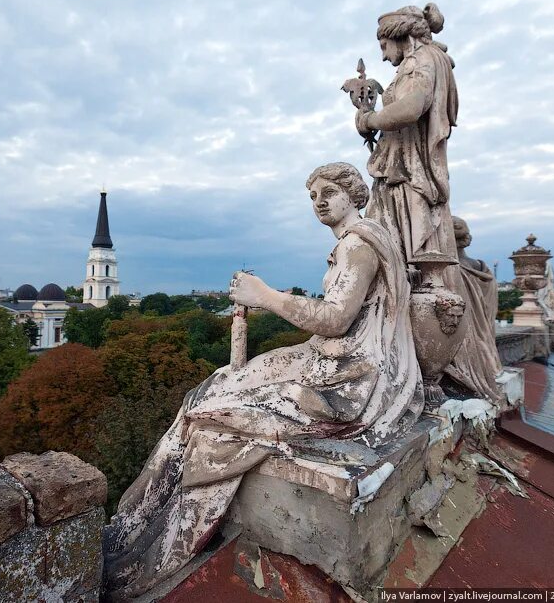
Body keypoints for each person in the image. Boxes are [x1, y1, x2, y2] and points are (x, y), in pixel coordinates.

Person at [102, 162, 422, 601]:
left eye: (329, 192)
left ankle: (151, 536)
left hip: (347, 378)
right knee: (216, 383)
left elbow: (335, 318)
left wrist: (266, 297)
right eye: (313, 197)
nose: (320, 202)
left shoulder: (359, 245)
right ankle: (139, 520)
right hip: (337, 359)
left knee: (209, 412)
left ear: (353, 194)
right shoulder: (362, 241)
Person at [356, 3, 459, 267]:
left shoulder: (420, 59)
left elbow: (412, 106)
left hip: (408, 175)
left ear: (400, 35)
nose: (383, 56)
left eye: (383, 46)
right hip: (403, 169)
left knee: (387, 247)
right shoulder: (429, 59)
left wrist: (370, 119)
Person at [442, 217, 503, 403]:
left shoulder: (453, 269)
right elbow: (489, 307)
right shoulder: (481, 267)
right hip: (484, 335)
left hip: (467, 337)